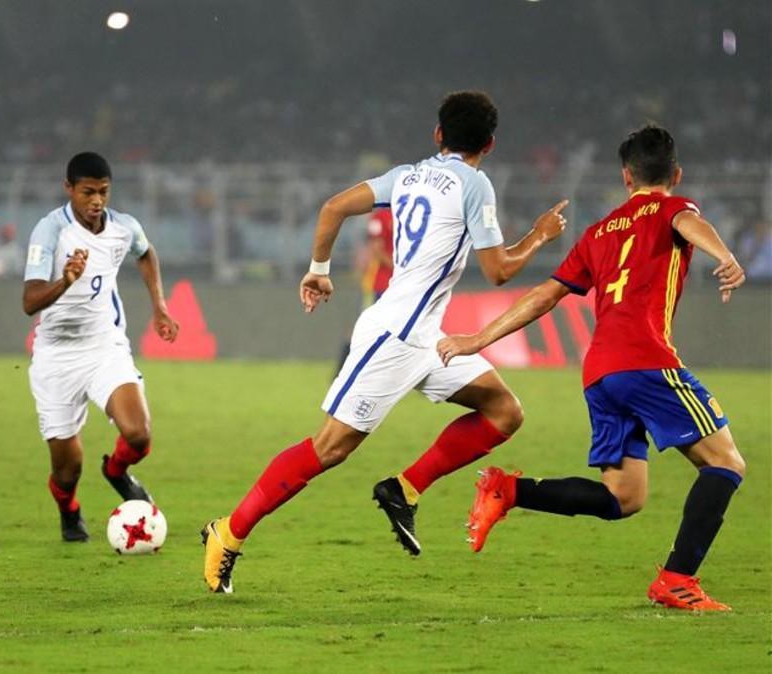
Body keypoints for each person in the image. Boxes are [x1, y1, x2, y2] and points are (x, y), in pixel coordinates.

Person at [202, 91, 568, 593]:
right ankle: (228, 532)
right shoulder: (475, 184)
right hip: (396, 336)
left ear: (438, 134)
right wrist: (540, 235)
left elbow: (333, 207)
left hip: (425, 336)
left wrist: (319, 270)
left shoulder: (406, 176)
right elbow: (499, 270)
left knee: (504, 411)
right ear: (490, 144)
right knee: (329, 448)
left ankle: (404, 489)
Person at [438, 125, 747, 611]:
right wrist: (725, 256)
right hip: (646, 362)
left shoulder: (598, 232)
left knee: (623, 497)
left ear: (626, 177)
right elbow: (689, 223)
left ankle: (508, 490)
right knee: (725, 463)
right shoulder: (673, 208)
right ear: (676, 175)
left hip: (600, 372)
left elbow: (545, 295)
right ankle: (677, 579)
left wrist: (477, 339)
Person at [22, 152, 179, 542]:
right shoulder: (50, 231)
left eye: (103, 192)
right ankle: (69, 510)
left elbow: (146, 253)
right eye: (88, 192)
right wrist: (65, 281)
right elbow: (30, 301)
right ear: (69, 189)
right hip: (56, 357)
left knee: (139, 434)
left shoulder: (123, 228)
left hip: (104, 346)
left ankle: (116, 471)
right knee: (66, 471)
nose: (96, 201)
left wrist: (159, 306)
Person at [335, 209, 395, 375]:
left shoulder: (408, 213)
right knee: (364, 327)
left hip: (401, 285)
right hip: (379, 284)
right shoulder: (381, 217)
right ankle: (342, 370)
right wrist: (401, 269)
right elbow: (376, 249)